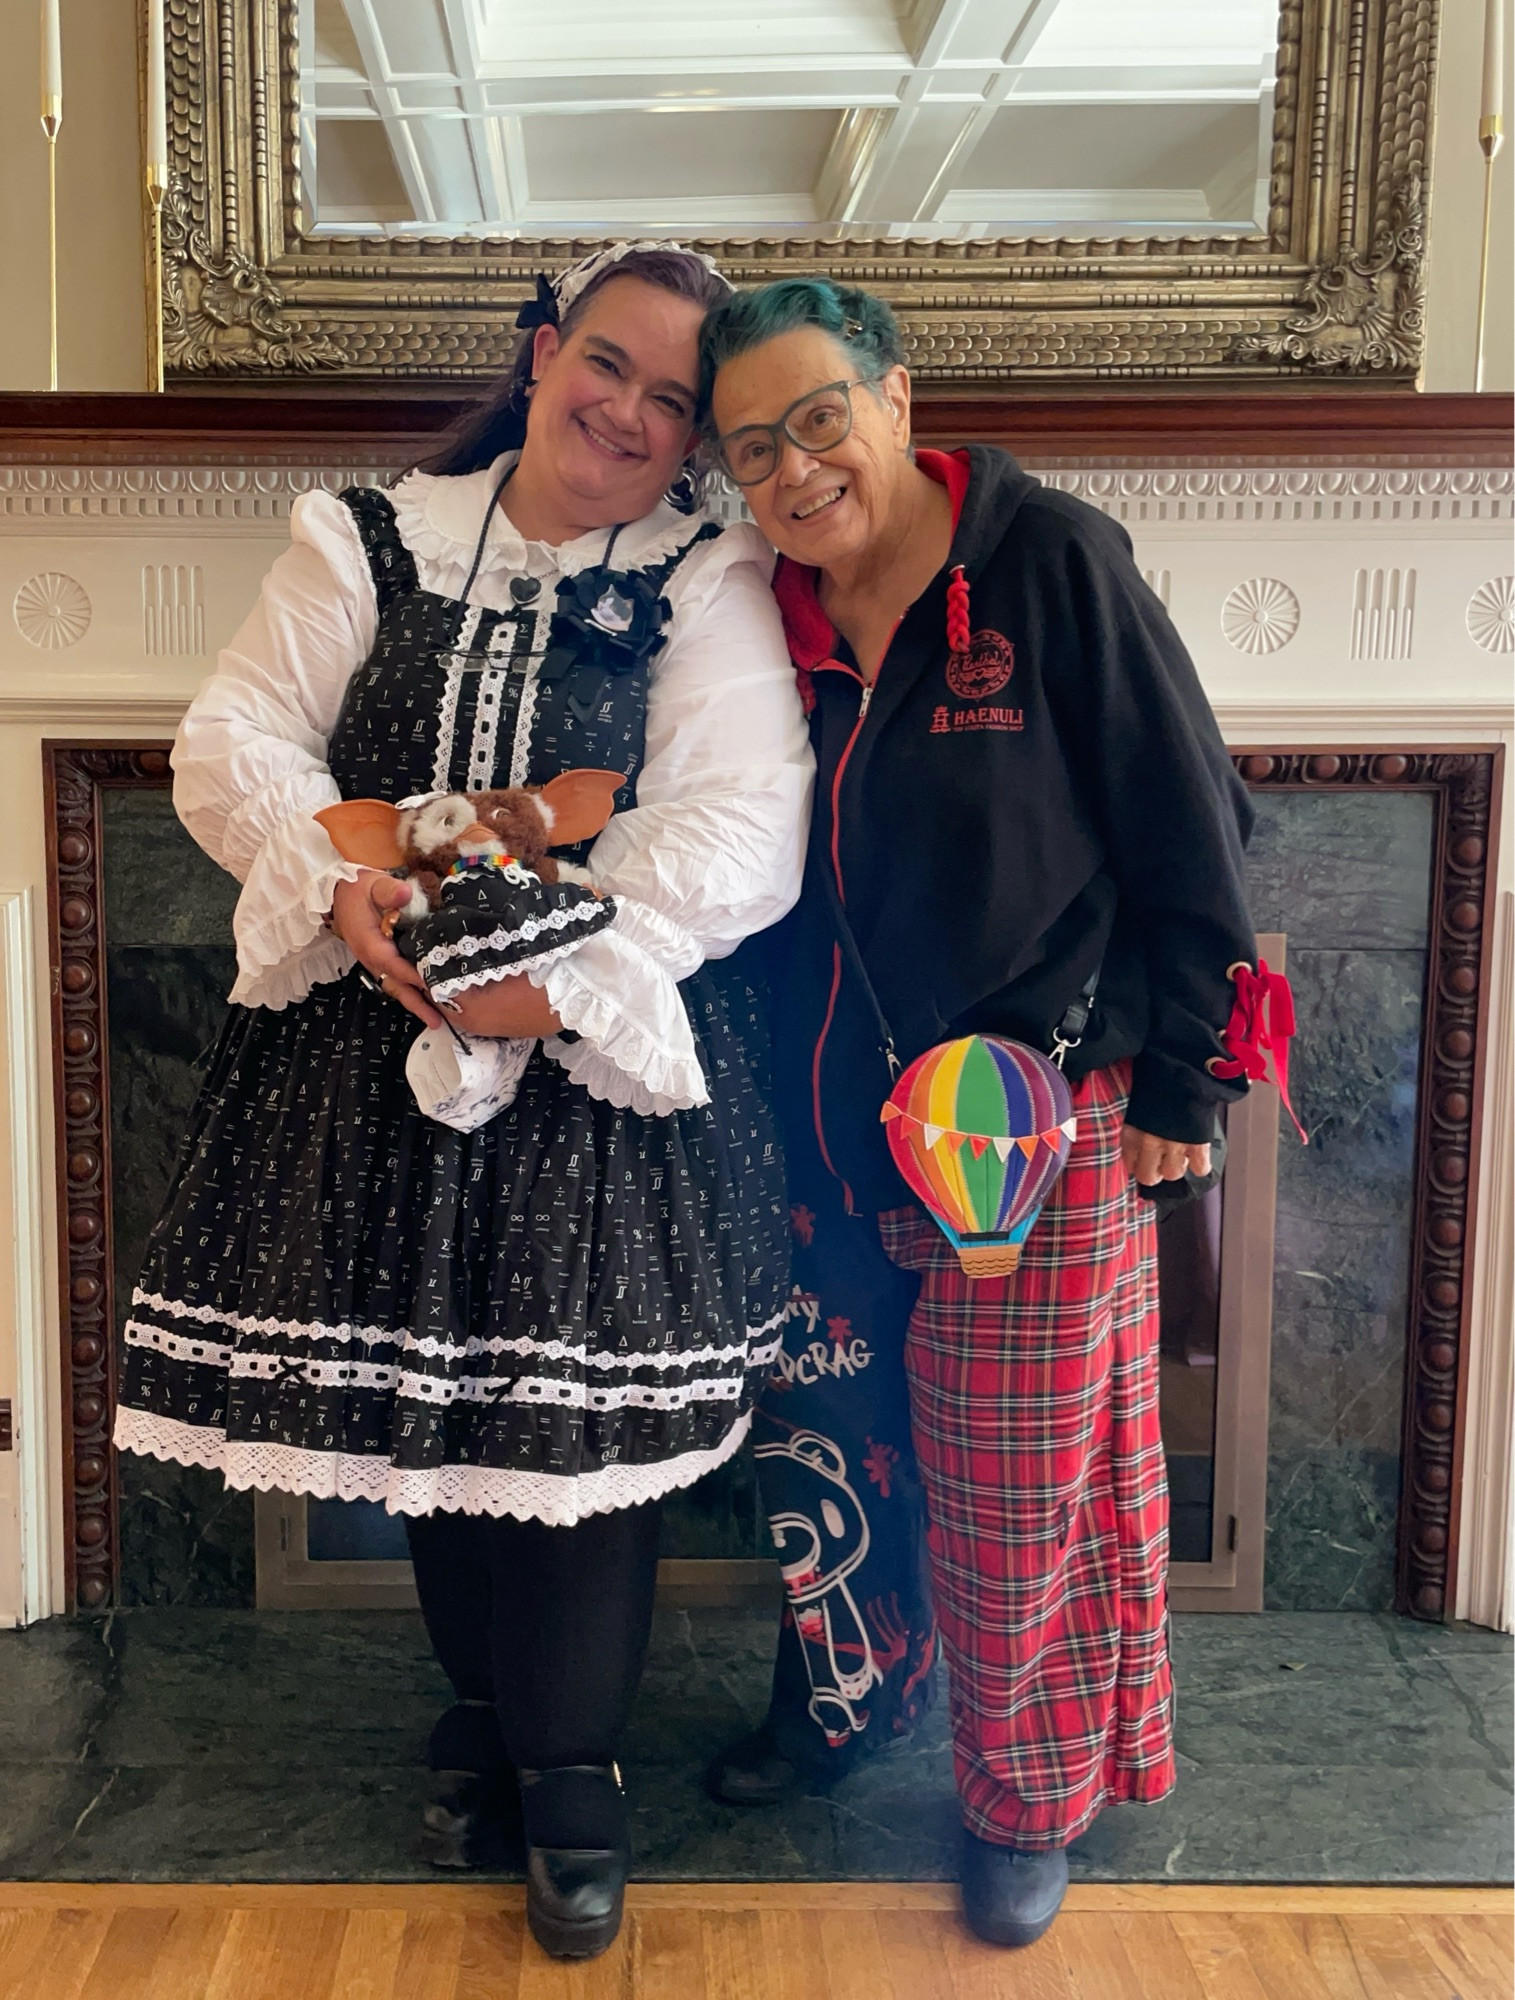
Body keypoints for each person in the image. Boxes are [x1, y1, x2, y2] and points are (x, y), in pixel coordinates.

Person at [112, 243, 813, 1961]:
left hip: (587, 1075)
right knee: (430, 1426)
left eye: (673, 400)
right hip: (372, 1050)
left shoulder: (704, 572)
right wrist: (346, 871)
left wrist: (543, 956)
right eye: (609, 365)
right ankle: (495, 1728)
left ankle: (577, 1774)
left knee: (572, 1444)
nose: (632, 415)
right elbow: (236, 742)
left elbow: (737, 829)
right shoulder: (364, 534)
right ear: (542, 350)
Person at [699, 279, 1263, 1949]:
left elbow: (1198, 822)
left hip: (1031, 1117)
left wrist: (1185, 1076)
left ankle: (1023, 1799)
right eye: (750, 447)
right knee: (836, 1444)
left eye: (817, 418)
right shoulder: (765, 615)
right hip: (825, 1117)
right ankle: (848, 1701)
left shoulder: (1049, 564)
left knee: (1015, 1478)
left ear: (893, 397)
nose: (793, 470)